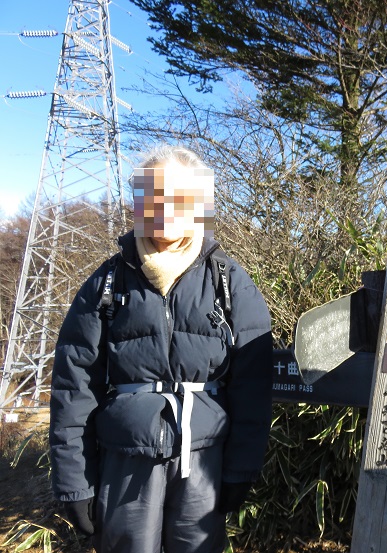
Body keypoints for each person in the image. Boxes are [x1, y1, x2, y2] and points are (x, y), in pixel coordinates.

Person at [49, 145, 274, 552]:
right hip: (124, 461)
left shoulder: (228, 281)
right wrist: (74, 481)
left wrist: (242, 468)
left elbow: (252, 384)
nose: (166, 206)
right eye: (153, 195)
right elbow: (74, 386)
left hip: (205, 461)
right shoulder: (107, 283)